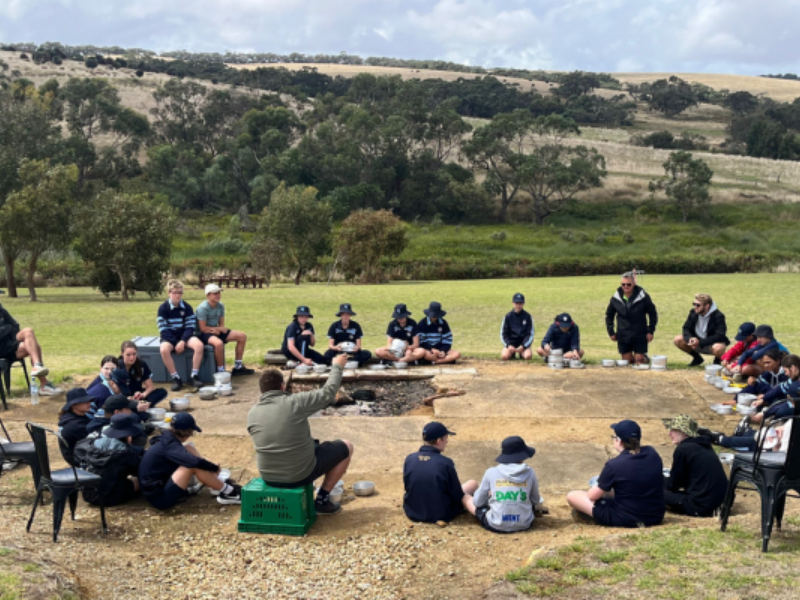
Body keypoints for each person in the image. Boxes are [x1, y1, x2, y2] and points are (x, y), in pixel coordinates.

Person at [247, 353, 353, 515]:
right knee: (346, 446)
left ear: (262, 391)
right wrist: (337, 366)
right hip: (300, 475)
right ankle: (322, 500)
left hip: (268, 476)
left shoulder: (252, 413)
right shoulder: (295, 402)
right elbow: (328, 393)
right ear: (282, 386)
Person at [566, 420, 664, 527]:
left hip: (627, 518)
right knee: (613, 491)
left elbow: (591, 496)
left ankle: (590, 515)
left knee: (573, 496)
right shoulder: (652, 453)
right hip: (656, 515)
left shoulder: (614, 465)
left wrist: (600, 483)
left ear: (619, 441)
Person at [139, 412, 241, 509]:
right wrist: (213, 467)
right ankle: (230, 493)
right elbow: (194, 462)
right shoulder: (171, 446)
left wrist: (210, 468)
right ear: (187, 432)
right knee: (193, 466)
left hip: (155, 488)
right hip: (159, 498)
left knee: (188, 447)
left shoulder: (167, 438)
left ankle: (216, 482)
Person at [403, 421, 478, 524]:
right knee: (473, 484)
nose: (447, 441)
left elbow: (408, 486)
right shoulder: (445, 463)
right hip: (441, 513)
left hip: (413, 511)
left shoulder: (409, 459)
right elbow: (457, 495)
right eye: (446, 438)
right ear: (439, 441)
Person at [662, 415, 728, 517]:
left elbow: (674, 484)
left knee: (655, 491)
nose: (669, 434)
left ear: (684, 432)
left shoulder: (683, 449)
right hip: (722, 503)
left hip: (701, 506)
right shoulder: (704, 445)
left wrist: (660, 479)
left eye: (673, 430)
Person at [73, 414, 145, 507]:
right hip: (109, 497)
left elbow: (78, 454)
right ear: (129, 435)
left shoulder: (94, 443)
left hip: (88, 493)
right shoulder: (126, 453)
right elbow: (139, 470)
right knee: (137, 480)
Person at [472, 436, 540, 533]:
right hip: (524, 524)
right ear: (523, 455)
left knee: (468, 499)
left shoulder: (491, 472)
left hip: (496, 523)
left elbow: (478, 502)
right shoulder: (530, 472)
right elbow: (535, 500)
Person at [0, 301, 62, 395]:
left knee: (28, 331)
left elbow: (15, 325)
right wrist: (8, 328)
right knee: (35, 348)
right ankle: (44, 384)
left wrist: (9, 330)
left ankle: (37, 366)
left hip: (10, 342)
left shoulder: (1, 310)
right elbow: (8, 328)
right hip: (2, 349)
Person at [195, 284, 254, 376]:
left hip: (215, 329)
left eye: (218, 293)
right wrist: (218, 329)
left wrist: (219, 330)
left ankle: (238, 366)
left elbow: (222, 324)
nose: (218, 295)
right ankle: (221, 370)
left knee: (242, 336)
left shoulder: (220, 306)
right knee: (218, 344)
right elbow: (202, 328)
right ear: (208, 295)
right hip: (204, 333)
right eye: (215, 293)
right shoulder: (202, 308)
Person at [156, 279, 204, 391]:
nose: (177, 295)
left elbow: (190, 327)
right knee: (163, 349)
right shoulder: (163, 308)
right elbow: (164, 330)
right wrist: (176, 342)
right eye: (175, 292)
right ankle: (176, 378)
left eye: (180, 292)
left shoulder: (187, 307)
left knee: (199, 346)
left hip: (185, 336)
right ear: (169, 293)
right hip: (169, 338)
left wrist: (183, 341)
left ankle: (194, 376)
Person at [605, 272, 658, 365]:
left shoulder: (643, 297)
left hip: (640, 334)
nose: (626, 286)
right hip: (623, 334)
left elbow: (653, 314)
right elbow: (609, 315)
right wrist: (611, 332)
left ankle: (643, 358)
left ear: (633, 284)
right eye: (623, 284)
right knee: (627, 362)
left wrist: (650, 331)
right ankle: (638, 358)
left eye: (628, 284)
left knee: (639, 363)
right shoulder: (615, 298)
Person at [673, 294, 729, 367]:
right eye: (694, 304)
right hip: (696, 342)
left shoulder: (718, 316)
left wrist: (700, 342)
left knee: (719, 347)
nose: (695, 307)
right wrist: (690, 339)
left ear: (707, 306)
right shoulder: (693, 312)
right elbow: (686, 328)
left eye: (698, 305)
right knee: (678, 339)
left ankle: (716, 362)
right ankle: (697, 358)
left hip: (710, 344)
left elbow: (720, 335)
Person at [119, 341, 168, 407]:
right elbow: (114, 390)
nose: (132, 358)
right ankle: (139, 406)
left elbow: (150, 386)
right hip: (123, 397)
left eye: (134, 354)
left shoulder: (141, 365)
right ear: (122, 353)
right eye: (128, 355)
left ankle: (143, 405)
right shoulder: (117, 366)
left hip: (137, 395)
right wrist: (128, 398)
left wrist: (143, 394)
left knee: (162, 392)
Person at [86, 394, 151, 443]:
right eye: (128, 409)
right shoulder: (113, 427)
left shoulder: (103, 418)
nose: (130, 411)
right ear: (116, 412)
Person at [57, 388, 96, 465]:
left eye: (89, 401)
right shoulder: (76, 425)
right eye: (85, 401)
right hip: (79, 459)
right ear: (74, 405)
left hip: (77, 453)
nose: (89, 403)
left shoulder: (72, 416)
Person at [500, 293, 534, 361]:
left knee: (528, 356)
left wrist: (524, 346)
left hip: (522, 342)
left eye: (520, 303)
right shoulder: (508, 316)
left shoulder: (527, 316)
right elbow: (503, 334)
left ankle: (521, 353)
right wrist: (509, 345)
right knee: (504, 356)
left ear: (523, 303)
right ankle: (512, 354)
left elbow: (530, 334)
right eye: (516, 303)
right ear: (513, 303)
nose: (518, 305)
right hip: (511, 342)